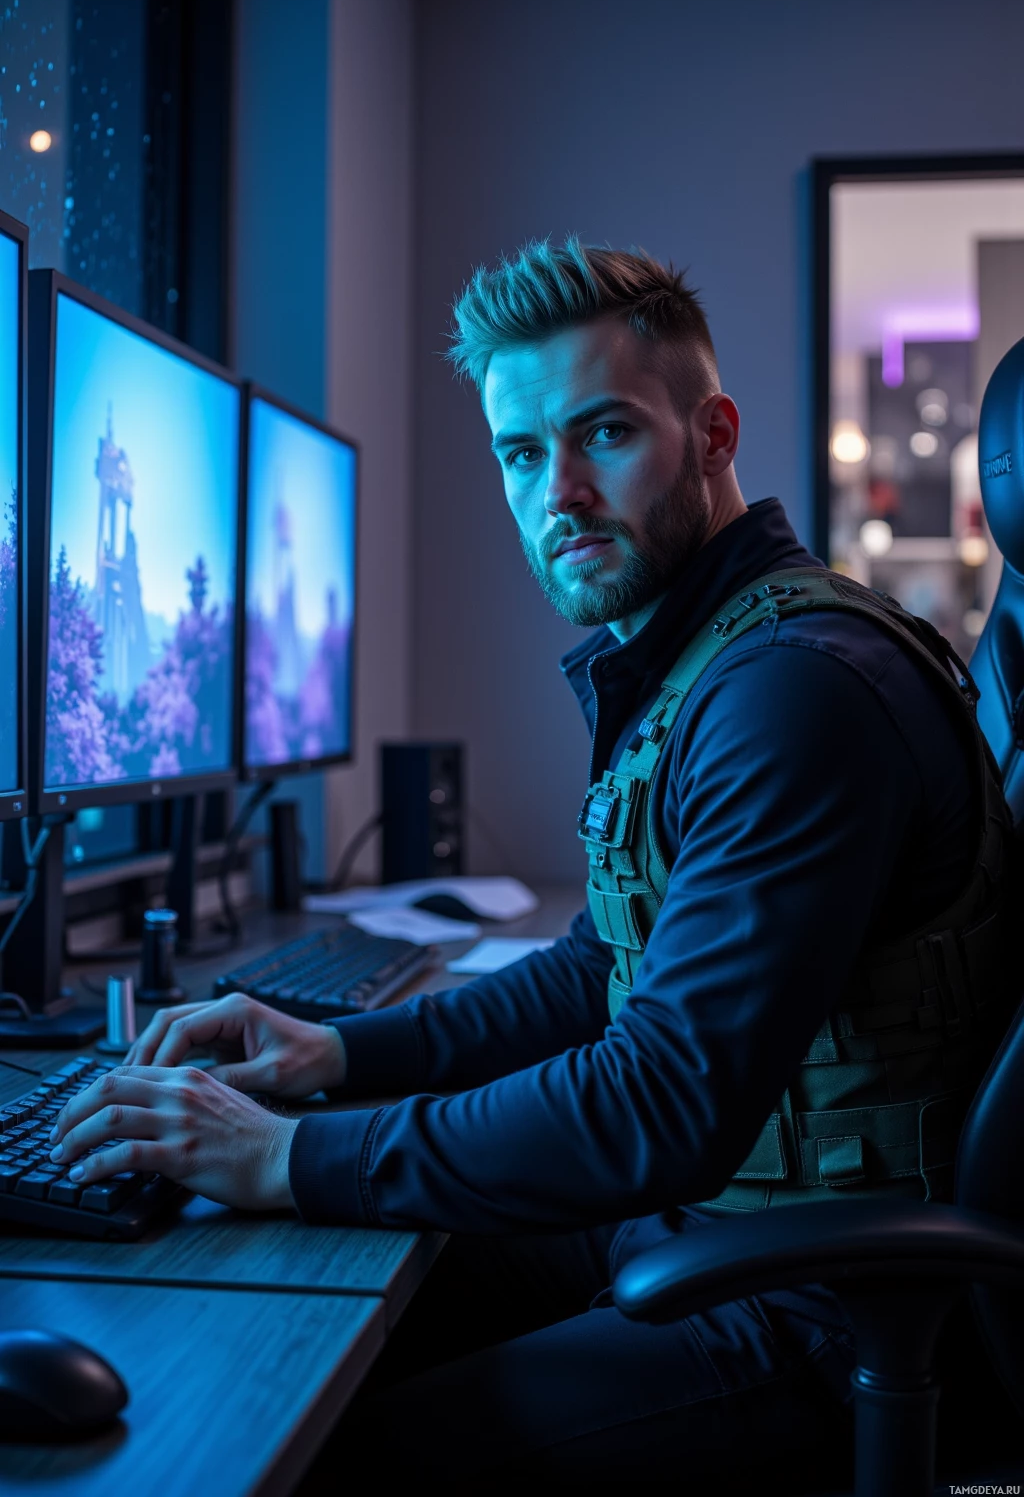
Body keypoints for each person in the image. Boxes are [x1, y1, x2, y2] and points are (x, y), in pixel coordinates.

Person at [50, 240, 1014, 1485]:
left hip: (839, 1306)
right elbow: (592, 972)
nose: (555, 490)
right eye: (518, 453)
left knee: (317, 1440)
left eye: (601, 434)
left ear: (712, 434)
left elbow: (663, 1096)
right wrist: (337, 1052)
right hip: (721, 1225)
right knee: (275, 1323)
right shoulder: (708, 657)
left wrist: (286, 1153)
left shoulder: (792, 694)